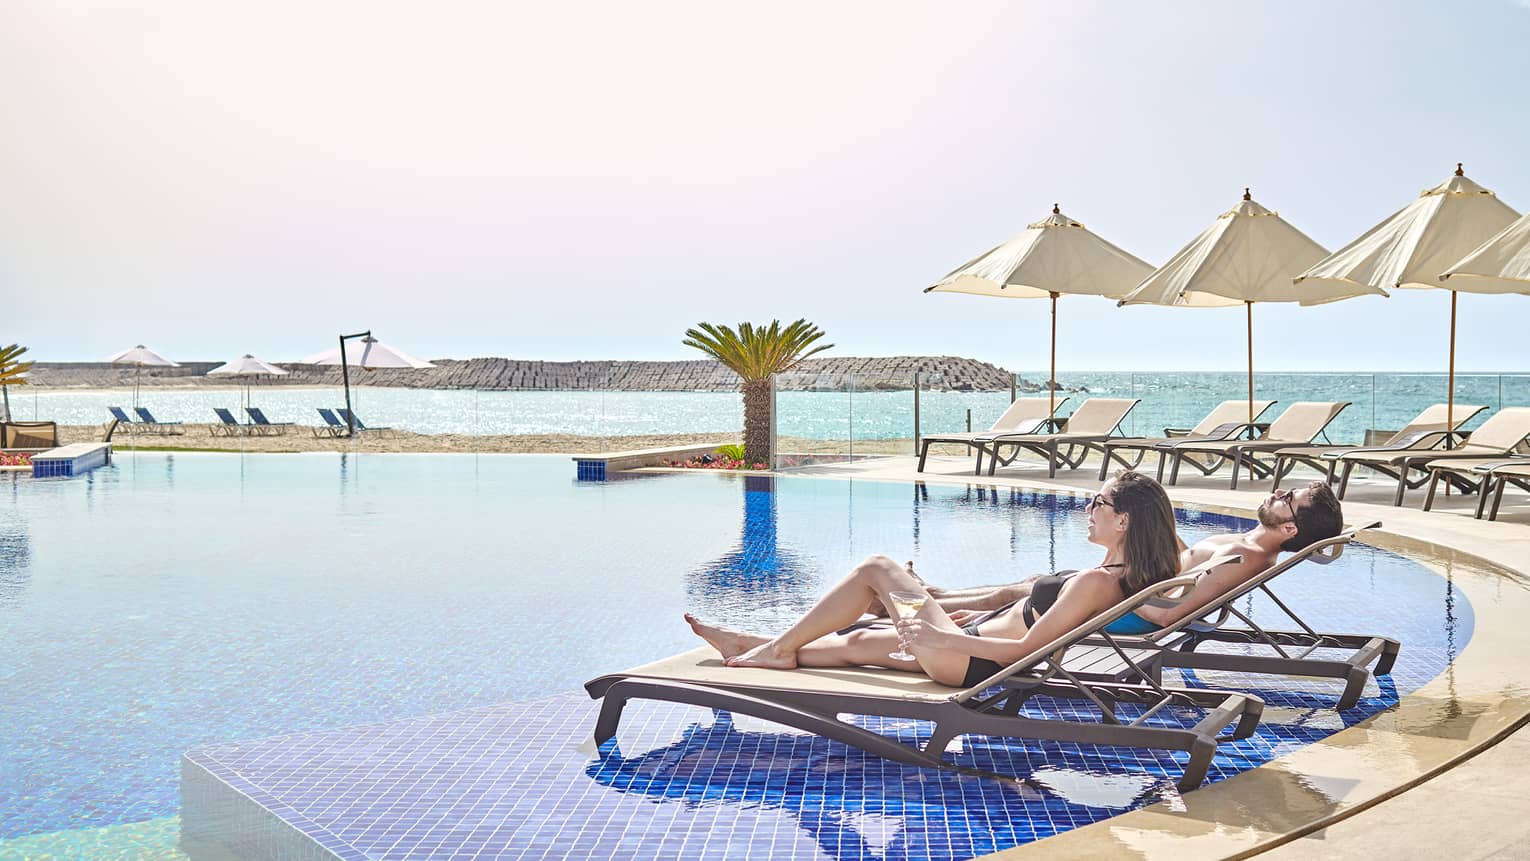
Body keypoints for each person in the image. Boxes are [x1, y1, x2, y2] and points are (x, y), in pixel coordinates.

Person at [685, 470, 1185, 688]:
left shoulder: (1098, 582)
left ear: (1124, 521)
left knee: (877, 568)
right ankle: (751, 644)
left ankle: (774, 648)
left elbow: (1025, 649)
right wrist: (966, 619)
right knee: (855, 643)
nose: (1088, 509)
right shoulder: (1116, 574)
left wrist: (941, 636)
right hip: (967, 644)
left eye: (1098, 502)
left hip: (966, 659)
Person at [929, 479, 1345, 631]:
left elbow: (1168, 614)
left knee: (1022, 592)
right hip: (1138, 587)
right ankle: (938, 597)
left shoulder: (1247, 556)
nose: (1278, 492)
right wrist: (1156, 521)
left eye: (1288, 498)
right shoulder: (1244, 545)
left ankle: (926, 605)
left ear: (1289, 529)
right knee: (1028, 584)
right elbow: (1185, 567)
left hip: (1129, 606)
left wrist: (1121, 585)